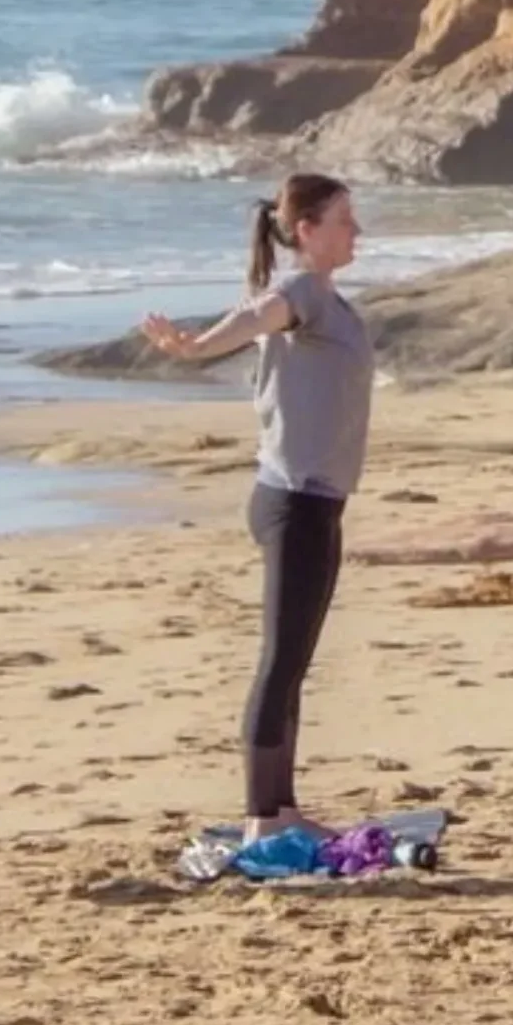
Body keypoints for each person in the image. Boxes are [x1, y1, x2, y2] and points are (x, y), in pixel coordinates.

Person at [141, 173, 372, 841]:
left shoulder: (328, 298)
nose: (356, 231)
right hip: (294, 501)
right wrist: (197, 346)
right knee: (279, 661)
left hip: (318, 501)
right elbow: (256, 315)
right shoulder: (299, 289)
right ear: (307, 230)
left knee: (295, 662)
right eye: (344, 219)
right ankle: (261, 820)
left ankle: (284, 810)